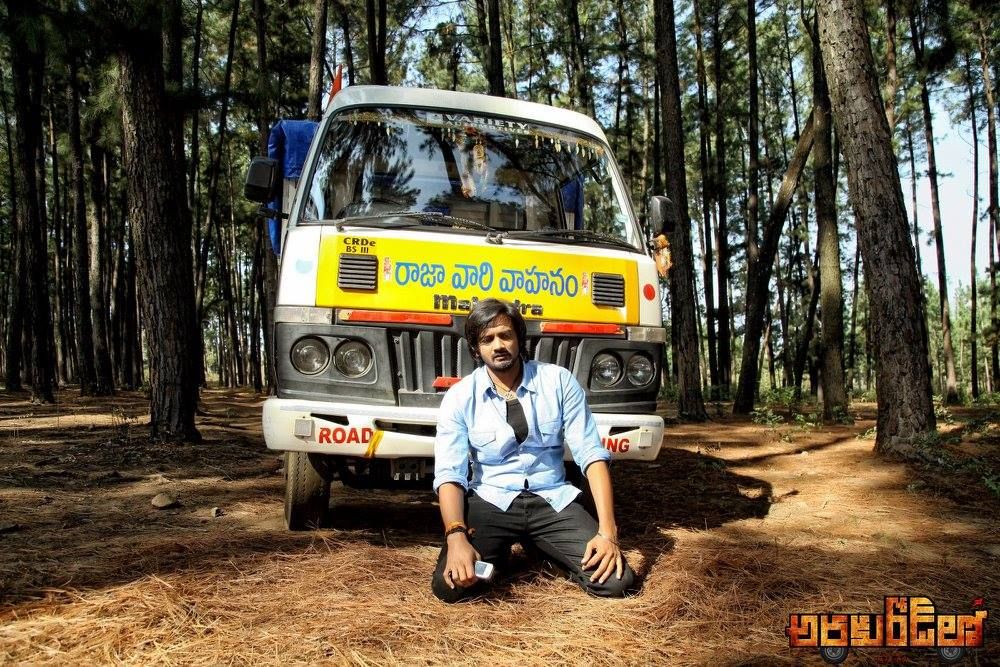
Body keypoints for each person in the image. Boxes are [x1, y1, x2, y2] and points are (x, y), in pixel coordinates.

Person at [430, 298, 636, 602]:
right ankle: (499, 555)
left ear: (518, 338)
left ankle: (544, 549)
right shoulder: (460, 397)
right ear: (475, 349)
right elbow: (450, 473)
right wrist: (456, 536)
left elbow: (592, 455)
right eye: (487, 339)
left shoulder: (558, 381)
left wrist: (608, 532)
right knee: (451, 586)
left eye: (505, 335)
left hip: (552, 498)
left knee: (617, 583)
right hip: (491, 499)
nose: (498, 345)